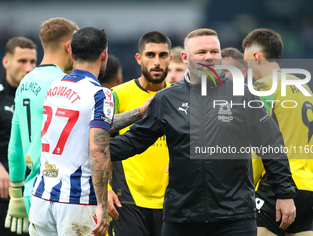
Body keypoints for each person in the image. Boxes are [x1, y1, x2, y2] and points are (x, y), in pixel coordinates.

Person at [109, 28, 296, 236]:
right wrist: (93, 149)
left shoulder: (243, 95)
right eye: (201, 52)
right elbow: (134, 141)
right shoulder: (167, 99)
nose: (209, 57)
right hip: (181, 218)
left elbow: (271, 143)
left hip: (235, 219)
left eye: (214, 51)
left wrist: (285, 194)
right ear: (184, 57)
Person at [242, 28, 313, 236]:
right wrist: (307, 175)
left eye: (246, 62)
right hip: (308, 189)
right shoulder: (304, 88)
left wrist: (250, 184)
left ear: (256, 57)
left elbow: (258, 144)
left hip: (275, 187)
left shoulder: (263, 88)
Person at [28, 27, 113, 236]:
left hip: (42, 197)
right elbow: (97, 151)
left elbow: (84, 124)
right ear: (104, 54)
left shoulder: (54, 85)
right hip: (77, 201)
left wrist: (139, 112)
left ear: (72, 54)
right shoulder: (100, 94)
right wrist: (102, 205)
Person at [4, 18, 78, 235]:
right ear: (69, 46)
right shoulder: (64, 84)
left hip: (30, 190)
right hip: (59, 193)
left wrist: (16, 194)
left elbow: (15, 147)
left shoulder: (24, 83)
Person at [109, 31, 172, 236]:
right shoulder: (118, 94)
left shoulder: (179, 97)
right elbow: (100, 146)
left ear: (170, 58)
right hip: (127, 199)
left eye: (162, 55)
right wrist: (105, 190)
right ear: (139, 58)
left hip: (170, 202)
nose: (157, 62)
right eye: (150, 55)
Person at [0, 37, 37, 235]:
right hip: (3, 188)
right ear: (6, 62)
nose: (29, 68)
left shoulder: (40, 95)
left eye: (32, 62)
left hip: (33, 190)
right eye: (22, 61)